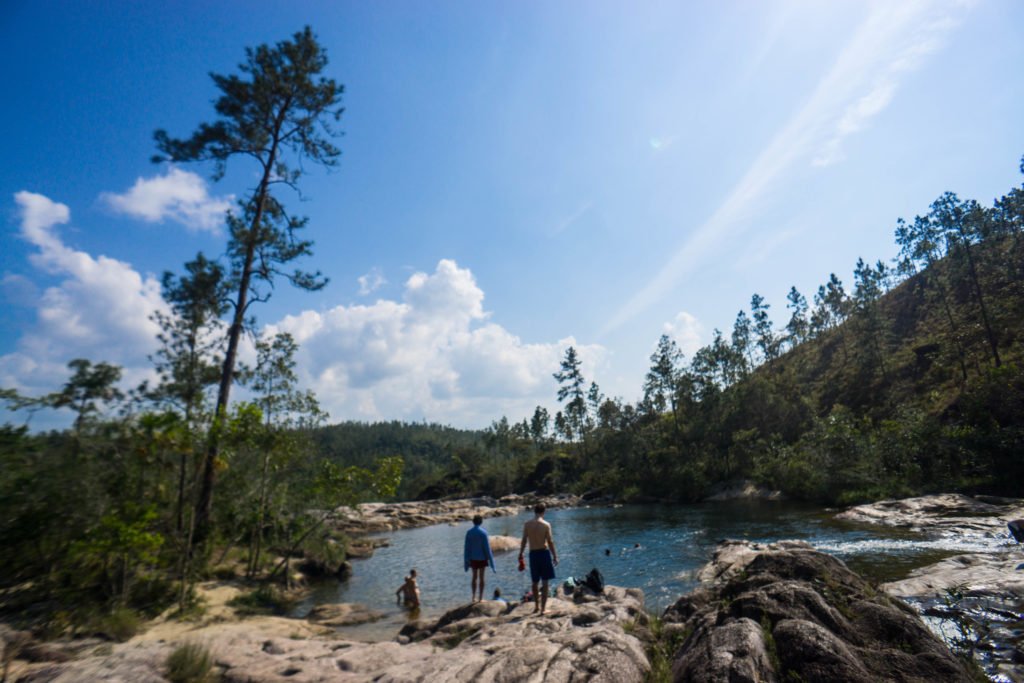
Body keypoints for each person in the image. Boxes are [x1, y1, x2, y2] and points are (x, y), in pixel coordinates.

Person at [518, 503, 558, 615]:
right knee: (545, 582)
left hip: (533, 554)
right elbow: (550, 542)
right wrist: (555, 555)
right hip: (544, 554)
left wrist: (520, 553)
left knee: (534, 582)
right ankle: (543, 609)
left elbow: (524, 540)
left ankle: (536, 606)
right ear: (543, 512)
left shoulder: (527, 524)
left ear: (534, 511)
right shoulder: (546, 525)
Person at [464, 514, 496, 603]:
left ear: (473, 522)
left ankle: (473, 597)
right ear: (481, 522)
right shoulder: (483, 532)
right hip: (482, 558)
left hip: (473, 558)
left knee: (474, 577)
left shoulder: (469, 532)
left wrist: (466, 561)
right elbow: (487, 548)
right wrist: (492, 562)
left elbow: (466, 547)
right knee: (482, 577)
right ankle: (480, 598)